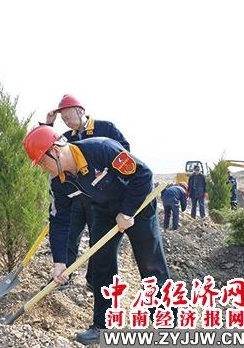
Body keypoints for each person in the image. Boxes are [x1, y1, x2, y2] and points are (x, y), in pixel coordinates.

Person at [23, 126, 170, 345]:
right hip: (103, 211)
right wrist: (59, 262)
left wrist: (128, 211)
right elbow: (60, 220)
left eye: (42, 162)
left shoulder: (101, 149)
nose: (44, 169)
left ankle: (166, 322)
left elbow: (143, 175)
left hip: (138, 204)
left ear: (55, 151)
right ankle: (103, 326)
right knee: (101, 264)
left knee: (150, 264)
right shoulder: (59, 181)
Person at [44, 94, 131, 291]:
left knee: (98, 239)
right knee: (69, 235)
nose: (66, 121)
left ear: (80, 111)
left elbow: (124, 153)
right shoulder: (66, 138)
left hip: (100, 198)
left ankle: (95, 281)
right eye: (63, 119)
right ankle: (63, 277)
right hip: (77, 198)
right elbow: (49, 149)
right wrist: (48, 125)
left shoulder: (105, 128)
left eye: (68, 116)